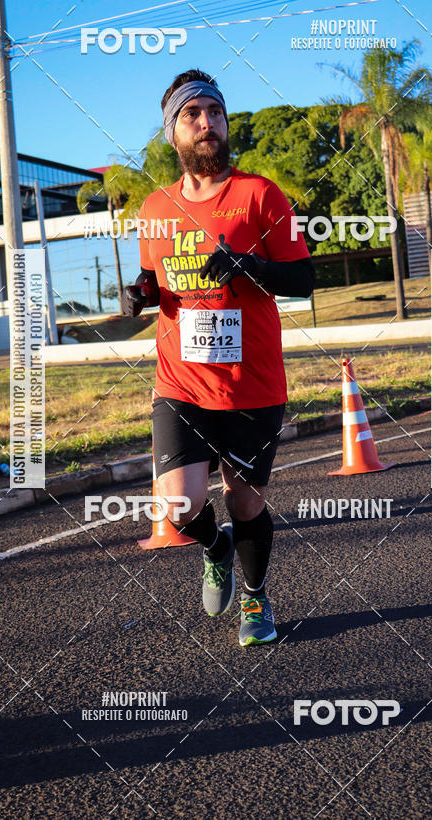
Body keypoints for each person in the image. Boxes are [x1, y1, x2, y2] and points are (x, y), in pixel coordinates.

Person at [122, 69, 314, 646]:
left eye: (214, 112)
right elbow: (159, 282)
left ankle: (255, 600)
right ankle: (215, 546)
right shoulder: (156, 208)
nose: (206, 123)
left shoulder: (260, 195)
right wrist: (142, 294)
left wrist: (250, 266)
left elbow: (303, 277)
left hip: (251, 382)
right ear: (172, 133)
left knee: (244, 496)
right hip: (179, 381)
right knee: (179, 502)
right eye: (192, 114)